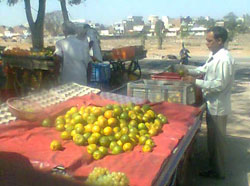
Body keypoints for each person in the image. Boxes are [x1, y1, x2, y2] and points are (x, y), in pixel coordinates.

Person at [183, 26, 235, 179]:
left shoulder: (224, 59)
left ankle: (218, 172)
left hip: (218, 106)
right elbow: (204, 69)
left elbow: (219, 84)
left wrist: (195, 82)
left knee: (217, 142)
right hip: (212, 104)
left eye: (209, 40)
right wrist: (187, 70)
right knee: (212, 140)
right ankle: (214, 167)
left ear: (219, 41)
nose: (207, 43)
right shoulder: (215, 55)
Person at [54, 21, 90, 86]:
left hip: (67, 80)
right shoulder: (84, 45)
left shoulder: (60, 43)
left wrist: (56, 77)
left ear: (64, 32)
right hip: (82, 80)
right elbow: (89, 64)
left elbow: (57, 60)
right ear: (74, 31)